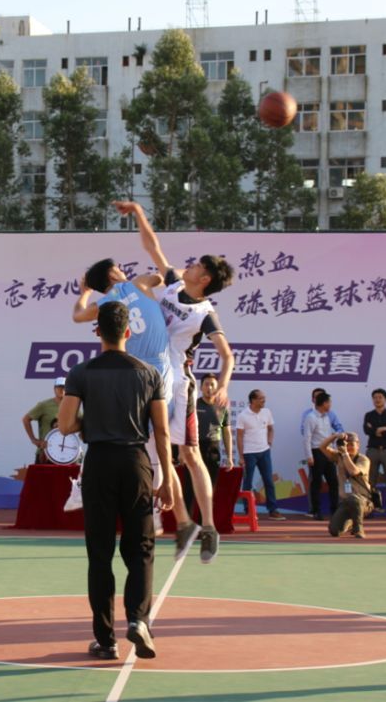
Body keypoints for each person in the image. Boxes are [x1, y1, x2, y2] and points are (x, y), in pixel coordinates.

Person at [116, 199, 235, 564]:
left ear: (205, 278)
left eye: (197, 265)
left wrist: (224, 385)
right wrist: (138, 213)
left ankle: (209, 526)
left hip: (178, 384)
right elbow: (152, 246)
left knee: (189, 454)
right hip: (151, 378)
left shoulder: (205, 314)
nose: (190, 265)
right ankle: (183, 522)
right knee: (159, 454)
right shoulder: (172, 285)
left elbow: (227, 354)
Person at [57, 301, 173, 661]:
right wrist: (168, 477)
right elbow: (162, 431)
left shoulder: (81, 373)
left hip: (99, 463)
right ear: (128, 331)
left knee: (100, 553)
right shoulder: (149, 373)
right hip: (136, 463)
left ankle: (105, 640)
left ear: (98, 332)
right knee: (141, 550)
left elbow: (65, 425)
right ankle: (138, 620)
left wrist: (91, 421)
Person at [74, 257, 179, 528]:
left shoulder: (105, 304)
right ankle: (156, 506)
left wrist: (85, 292)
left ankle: (81, 484)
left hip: (131, 373)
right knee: (157, 437)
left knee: (132, 436)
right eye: (118, 267)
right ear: (113, 273)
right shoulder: (139, 283)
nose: (122, 270)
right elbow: (165, 277)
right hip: (158, 371)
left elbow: (78, 315)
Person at [237, 389, 284, 520]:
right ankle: (248, 510)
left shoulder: (267, 412)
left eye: (264, 398)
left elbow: (271, 429)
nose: (264, 400)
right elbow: (239, 437)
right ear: (253, 400)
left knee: (269, 481)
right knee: (248, 483)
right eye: (261, 398)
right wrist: (241, 457)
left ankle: (273, 510)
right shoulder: (243, 415)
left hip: (264, 452)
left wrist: (269, 442)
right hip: (249, 454)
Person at [190, 374, 233, 515]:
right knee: (190, 489)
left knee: (209, 490)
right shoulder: (194, 405)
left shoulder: (222, 406)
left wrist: (230, 457)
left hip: (213, 451)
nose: (209, 387)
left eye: (212, 385)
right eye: (206, 384)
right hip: (194, 450)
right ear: (201, 387)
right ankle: (188, 523)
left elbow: (226, 432)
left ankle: (206, 523)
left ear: (217, 388)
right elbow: (184, 430)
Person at [323, 432, 374, 539]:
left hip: (363, 501)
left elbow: (353, 472)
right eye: (346, 444)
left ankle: (358, 528)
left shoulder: (363, 459)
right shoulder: (339, 457)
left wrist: (345, 454)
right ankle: (351, 522)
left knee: (353, 499)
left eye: (351, 444)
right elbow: (322, 447)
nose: (348, 447)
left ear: (358, 445)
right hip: (345, 502)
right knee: (334, 531)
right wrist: (335, 436)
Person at [363, 388, 386, 520]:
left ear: (385, 399)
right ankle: (369, 510)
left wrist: (374, 430)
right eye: (375, 398)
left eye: (380, 397)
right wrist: (380, 429)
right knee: (370, 482)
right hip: (372, 450)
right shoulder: (369, 415)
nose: (377, 400)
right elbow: (366, 430)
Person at [304, 392, 339, 520]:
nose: (330, 405)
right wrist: (309, 456)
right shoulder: (311, 417)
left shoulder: (327, 417)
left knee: (333, 482)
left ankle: (335, 510)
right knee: (316, 483)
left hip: (328, 452)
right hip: (316, 452)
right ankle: (316, 511)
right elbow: (307, 438)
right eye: (329, 402)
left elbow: (329, 435)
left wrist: (334, 452)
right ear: (323, 403)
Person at [22, 378, 66, 464]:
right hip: (45, 452)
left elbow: (81, 422)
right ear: (54, 389)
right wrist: (34, 440)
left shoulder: (73, 406)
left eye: (64, 387)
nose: (62, 390)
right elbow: (26, 419)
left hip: (67, 454)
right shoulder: (44, 405)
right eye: (59, 387)